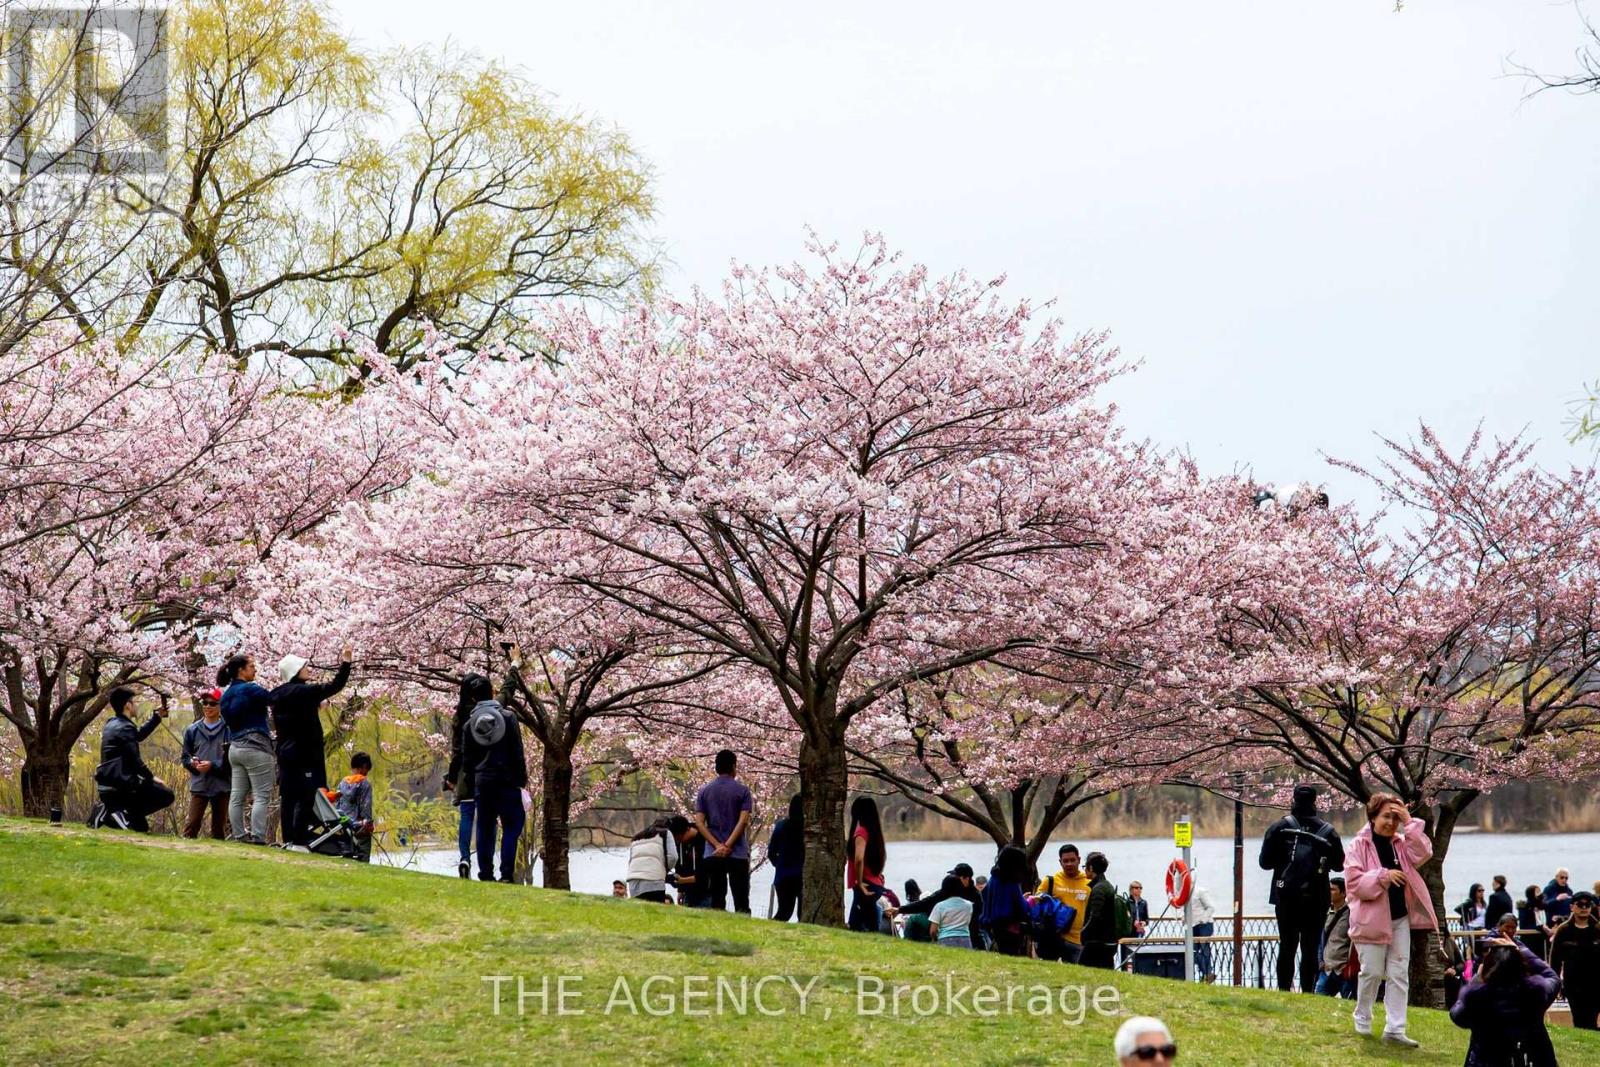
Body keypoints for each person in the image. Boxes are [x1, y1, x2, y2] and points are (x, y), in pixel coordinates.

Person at [1344, 792, 1438, 1048]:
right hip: (1371, 921)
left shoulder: (1400, 844)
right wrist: (1382, 877)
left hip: (1400, 919)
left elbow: (1424, 852)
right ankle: (1362, 1017)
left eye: (1395, 818)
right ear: (1373, 817)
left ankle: (1395, 1028)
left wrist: (1410, 823)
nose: (1391, 823)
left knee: (1399, 974)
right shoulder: (1358, 846)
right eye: (1386, 816)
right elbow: (1354, 885)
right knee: (1372, 972)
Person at [1259, 783, 1345, 993]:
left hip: (1285, 896)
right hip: (1317, 898)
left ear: (1293, 800)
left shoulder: (1280, 828)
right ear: (1315, 802)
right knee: (1310, 947)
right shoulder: (1328, 832)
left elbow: (1265, 863)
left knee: (1287, 945)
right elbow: (1338, 864)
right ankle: (1308, 992)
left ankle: (1283, 991)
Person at [270, 646, 352, 846]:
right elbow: (335, 685)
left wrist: (313, 705)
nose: (308, 669)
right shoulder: (303, 691)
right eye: (304, 666)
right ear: (295, 670)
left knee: (288, 796)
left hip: (285, 752)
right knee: (306, 795)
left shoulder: (277, 694)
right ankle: (299, 837)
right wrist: (346, 663)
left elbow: (295, 712)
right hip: (305, 753)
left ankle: (288, 838)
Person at [461, 662, 527, 883]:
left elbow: (467, 760)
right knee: (513, 824)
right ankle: (506, 874)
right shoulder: (508, 718)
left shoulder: (469, 724)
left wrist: (472, 784)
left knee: (485, 828)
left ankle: (485, 874)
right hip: (507, 781)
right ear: (493, 693)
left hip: (483, 783)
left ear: (473, 699)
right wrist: (521, 780)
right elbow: (517, 750)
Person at [1450, 937, 1560, 1067]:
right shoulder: (1534, 994)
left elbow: (1456, 1013)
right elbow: (1552, 977)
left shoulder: (1477, 998)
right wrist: (1520, 949)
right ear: (1521, 965)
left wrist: (1477, 979)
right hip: (1529, 1059)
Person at [91, 687, 174, 832]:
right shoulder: (126, 727)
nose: (135, 706)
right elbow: (135, 761)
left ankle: (113, 812)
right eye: (133, 703)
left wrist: (156, 717)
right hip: (123, 782)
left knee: (140, 828)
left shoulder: (112, 723)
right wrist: (152, 777)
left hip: (109, 779)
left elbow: (138, 735)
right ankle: (116, 813)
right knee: (166, 794)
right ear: (127, 705)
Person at [218, 653, 276, 844]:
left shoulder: (225, 696)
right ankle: (258, 836)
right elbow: (273, 698)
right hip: (257, 747)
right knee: (261, 795)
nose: (255, 669)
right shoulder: (250, 689)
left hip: (235, 749)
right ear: (241, 670)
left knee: (237, 796)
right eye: (251, 666)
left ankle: (239, 835)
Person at [693, 749, 754, 914]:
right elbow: (743, 821)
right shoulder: (743, 791)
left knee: (717, 898)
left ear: (716, 768)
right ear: (734, 766)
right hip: (737, 852)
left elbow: (699, 823)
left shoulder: (704, 791)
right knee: (741, 899)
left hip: (713, 853)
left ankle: (717, 933)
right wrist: (728, 845)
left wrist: (717, 845)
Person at [444, 674, 486, 879]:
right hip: (487, 771)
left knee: (467, 815)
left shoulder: (459, 716)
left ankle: (464, 858)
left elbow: (456, 751)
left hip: (464, 774)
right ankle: (486, 865)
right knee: (486, 816)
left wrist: (452, 777)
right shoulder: (489, 712)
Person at [893, 863, 984, 951]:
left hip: (971, 936)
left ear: (966, 878)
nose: (952, 879)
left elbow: (976, 919)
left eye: (955, 876)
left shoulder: (975, 896)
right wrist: (900, 909)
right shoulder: (947, 891)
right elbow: (925, 903)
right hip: (948, 936)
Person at [179, 687, 230, 839]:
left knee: (219, 830)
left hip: (222, 786)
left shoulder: (229, 730)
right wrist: (192, 763)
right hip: (199, 784)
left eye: (212, 703)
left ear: (220, 705)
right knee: (192, 825)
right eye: (205, 703)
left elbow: (231, 760)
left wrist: (212, 765)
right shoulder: (192, 730)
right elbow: (185, 757)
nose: (208, 706)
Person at [1549, 889, 1600, 1029]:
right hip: (1573, 983)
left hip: (1596, 983)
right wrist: (1556, 984)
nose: (1584, 908)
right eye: (1580, 904)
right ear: (1572, 907)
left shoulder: (1598, 929)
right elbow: (1555, 960)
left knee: (1592, 1018)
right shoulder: (1563, 930)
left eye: (1588, 905)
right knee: (1579, 1020)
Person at [1035, 843, 1091, 963]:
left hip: (1079, 941)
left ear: (1079, 860)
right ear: (1060, 862)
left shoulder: (1089, 882)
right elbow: (1036, 905)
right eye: (1065, 861)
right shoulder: (1050, 881)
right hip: (1054, 938)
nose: (1069, 864)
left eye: (1072, 860)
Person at [845, 795, 888, 932]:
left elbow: (859, 858)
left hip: (866, 885)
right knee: (870, 924)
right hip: (875, 883)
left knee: (856, 924)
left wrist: (859, 882)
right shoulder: (874, 832)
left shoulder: (861, 832)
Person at [981, 845, 1033, 957]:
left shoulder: (993, 879)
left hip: (993, 928)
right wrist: (1030, 901)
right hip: (1010, 929)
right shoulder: (1012, 883)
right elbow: (1023, 909)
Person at [626, 815, 691, 903]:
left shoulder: (636, 837)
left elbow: (631, 861)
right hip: (653, 879)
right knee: (654, 912)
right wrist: (665, 871)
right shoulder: (666, 833)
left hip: (633, 880)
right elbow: (673, 857)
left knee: (639, 911)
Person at [1316, 876, 1356, 998]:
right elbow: (1321, 939)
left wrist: (1349, 965)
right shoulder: (1326, 912)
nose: (1329, 892)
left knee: (1348, 1006)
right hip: (1327, 969)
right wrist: (1320, 962)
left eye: (1333, 890)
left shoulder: (1351, 914)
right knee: (1318, 1004)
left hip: (1343, 971)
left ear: (1343, 893)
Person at [1079, 851, 1119, 968]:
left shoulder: (1099, 889)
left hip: (1098, 942)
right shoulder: (1107, 885)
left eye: (1085, 867)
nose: (1084, 870)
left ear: (1091, 868)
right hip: (1108, 941)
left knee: (1083, 970)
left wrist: (1083, 932)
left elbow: (1095, 916)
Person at [768, 794, 804, 921]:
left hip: (784, 875)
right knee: (803, 915)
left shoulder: (781, 826)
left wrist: (780, 865)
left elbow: (771, 853)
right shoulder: (809, 830)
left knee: (784, 912)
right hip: (803, 876)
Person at [333, 751, 374, 862]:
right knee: (363, 854)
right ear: (364, 766)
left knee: (348, 855)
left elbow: (337, 804)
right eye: (367, 770)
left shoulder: (343, 783)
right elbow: (366, 805)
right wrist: (368, 823)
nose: (366, 773)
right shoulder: (364, 784)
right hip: (359, 826)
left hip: (343, 824)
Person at [928, 874, 975, 948]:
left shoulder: (939, 906)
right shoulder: (969, 905)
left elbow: (933, 931)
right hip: (965, 939)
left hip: (945, 939)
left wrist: (935, 939)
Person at [1191, 884, 1218, 983]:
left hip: (1205, 925)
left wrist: (1203, 919)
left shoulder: (1200, 891)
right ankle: (1206, 973)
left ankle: (1207, 974)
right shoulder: (1183, 893)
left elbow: (1211, 907)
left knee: (1204, 950)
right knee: (1193, 951)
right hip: (1192, 925)